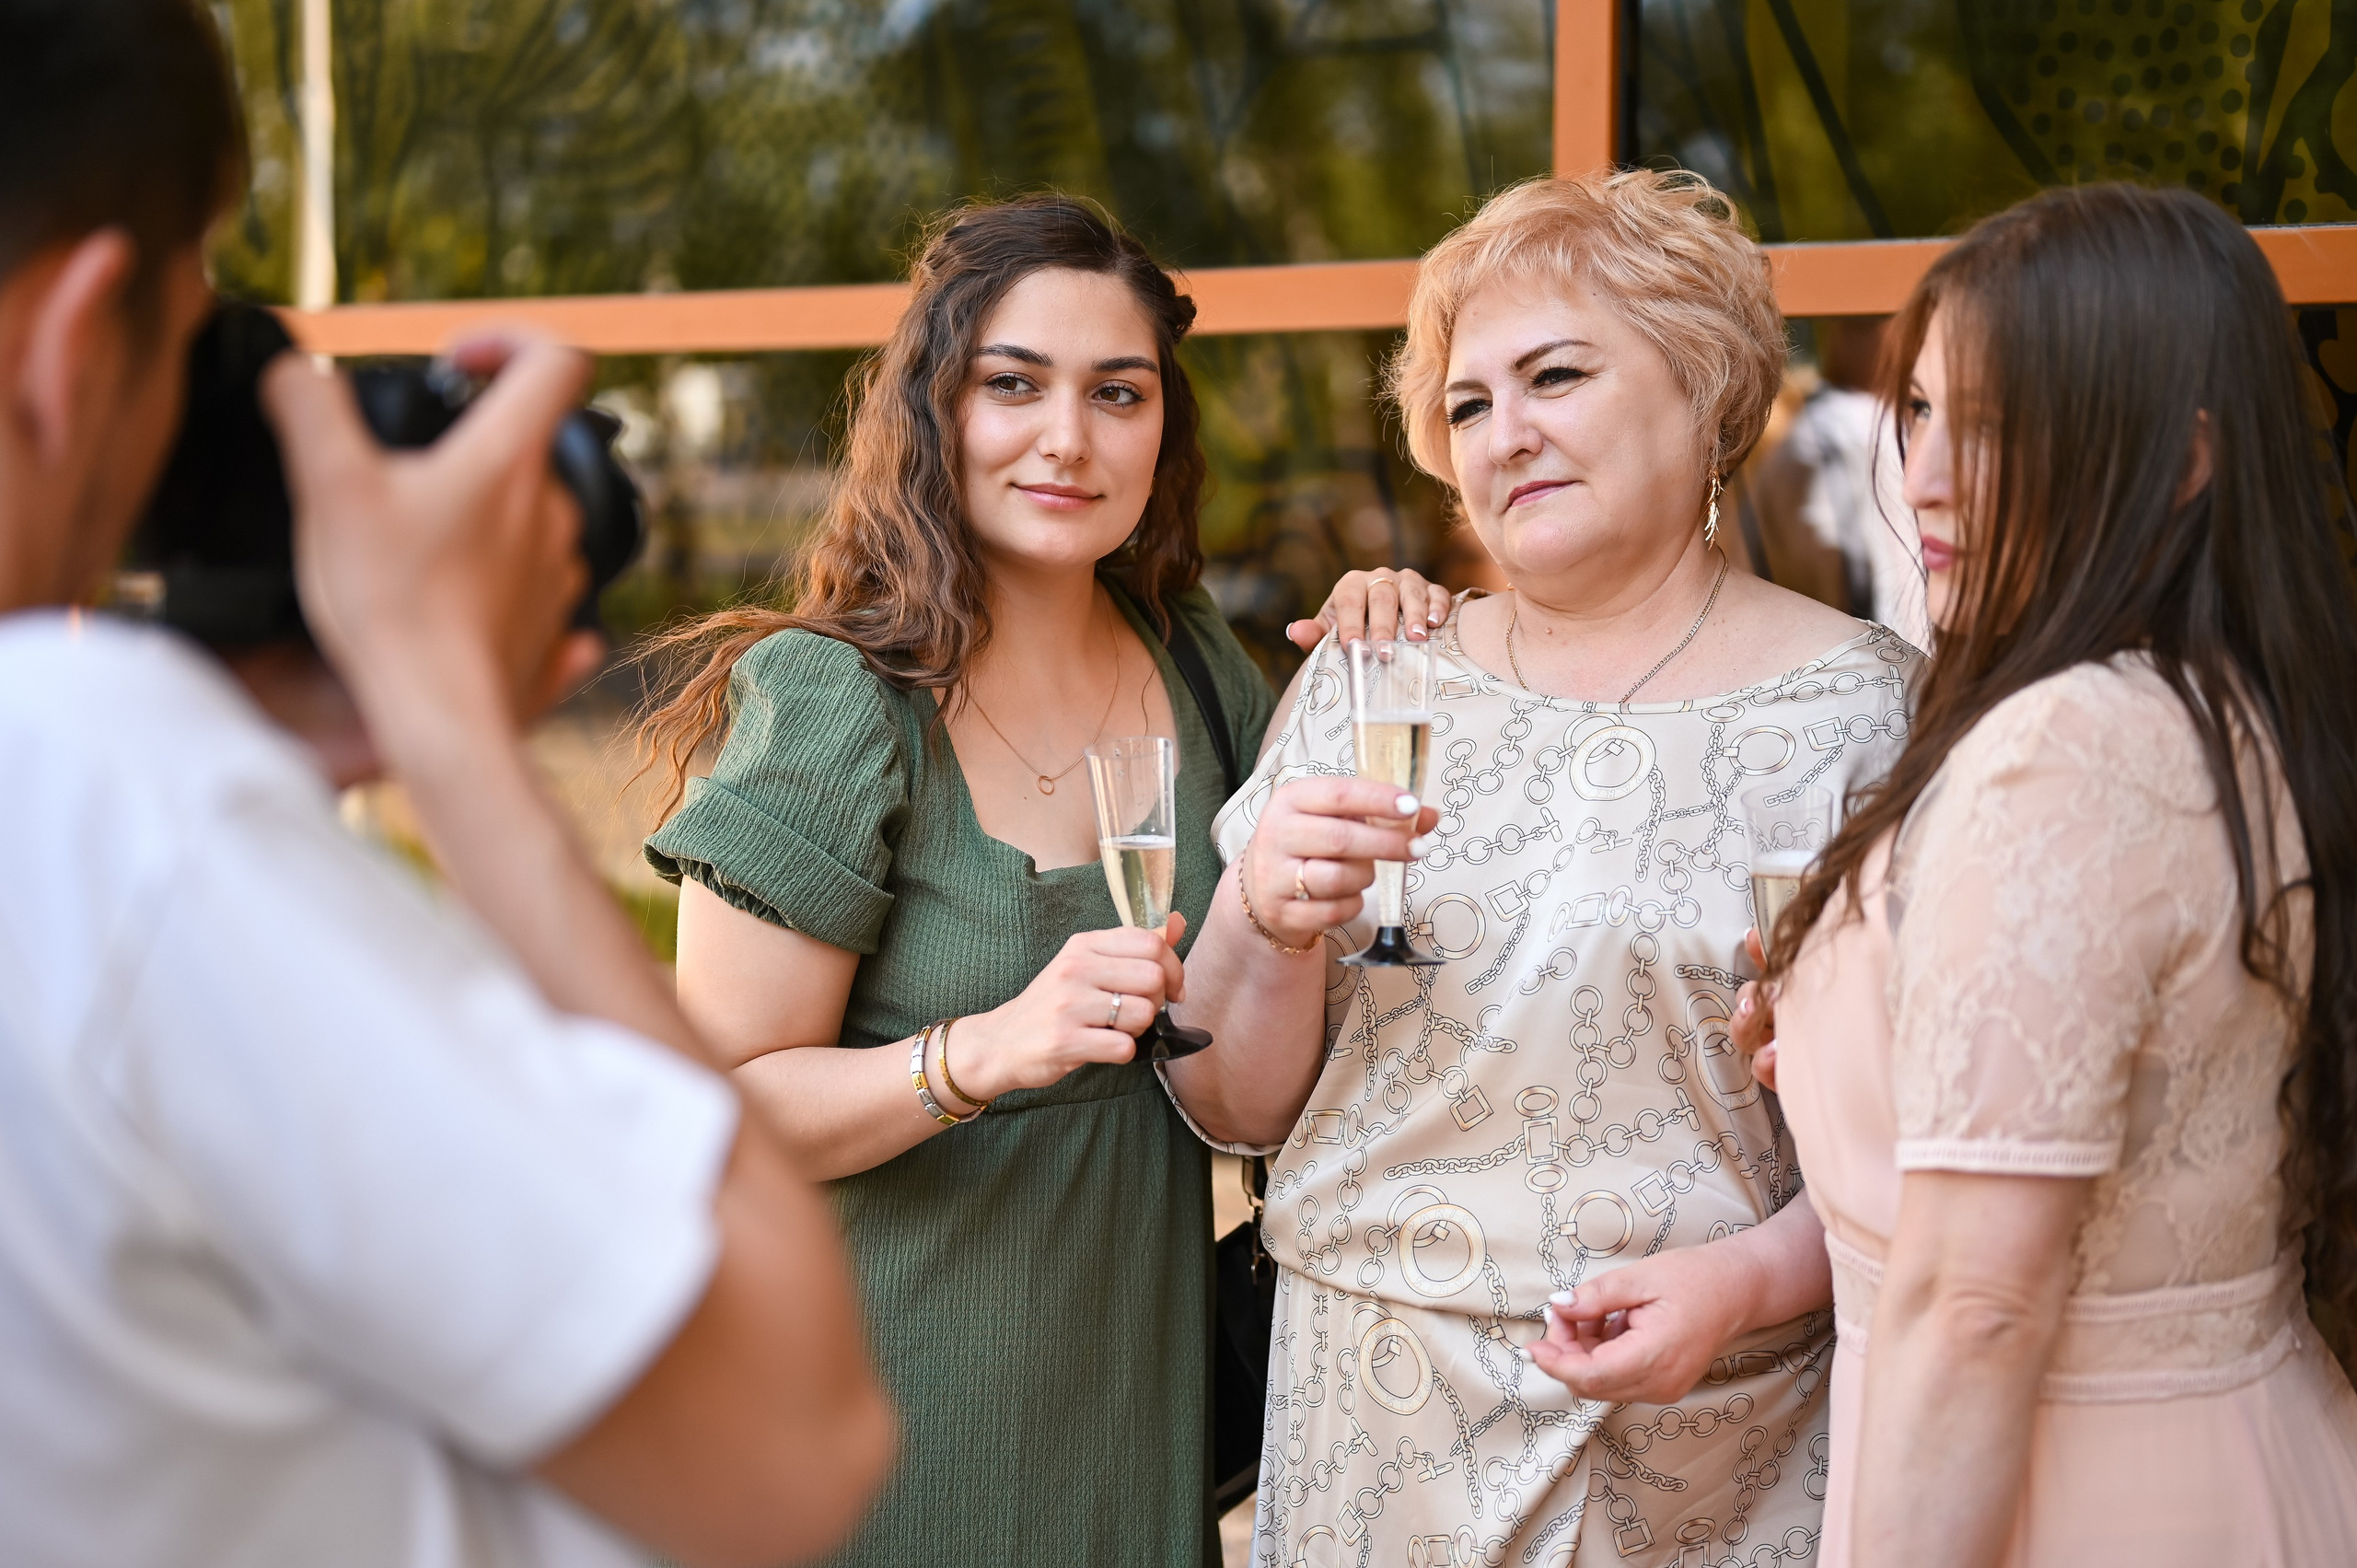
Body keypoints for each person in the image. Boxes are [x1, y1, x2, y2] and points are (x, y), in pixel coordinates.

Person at [0, 5, 893, 1566]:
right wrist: (449, 724)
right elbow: (792, 1448)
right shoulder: (100, 788)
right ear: (76, 344)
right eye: (194, 339)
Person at [1166, 168, 1925, 1564]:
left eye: (1556, 376)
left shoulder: (1865, 714)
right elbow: (1231, 1104)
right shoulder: (1371, 678)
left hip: (1710, 1453)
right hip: (1373, 1437)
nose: (1505, 434)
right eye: (1467, 406)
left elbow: (1931, 1144)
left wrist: (1749, 1287)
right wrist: (1265, 923)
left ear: (1703, 386)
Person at [1749, 183, 2357, 1567]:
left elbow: (1976, 1306)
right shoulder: (2221, 706)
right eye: (1919, 410)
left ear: (2183, 464)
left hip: (2078, 1500)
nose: (1924, 476)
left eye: (1998, 426)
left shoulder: (2065, 749)